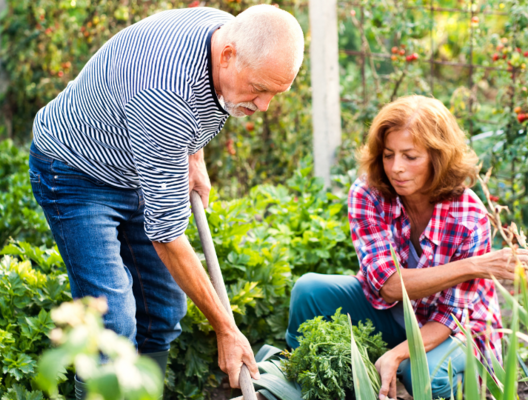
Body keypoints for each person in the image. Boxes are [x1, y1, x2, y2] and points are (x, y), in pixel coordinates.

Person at [28, 5, 304, 397]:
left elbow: (204, 104)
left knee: (163, 309)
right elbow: (167, 236)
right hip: (75, 173)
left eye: (276, 94)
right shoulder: (164, 98)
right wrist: (226, 329)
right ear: (228, 55)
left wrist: (194, 155)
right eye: (259, 90)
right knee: (113, 324)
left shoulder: (224, 32)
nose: (264, 107)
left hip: (134, 163)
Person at [286, 95, 528, 399]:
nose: (396, 168)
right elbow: (387, 285)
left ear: (437, 158)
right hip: (391, 312)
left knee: (424, 374)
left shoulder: (469, 215)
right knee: (309, 292)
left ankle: (469, 388)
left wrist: (397, 355)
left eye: (410, 156)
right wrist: (474, 266)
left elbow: (449, 316)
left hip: (454, 333)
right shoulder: (369, 193)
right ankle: (318, 390)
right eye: (388, 155)